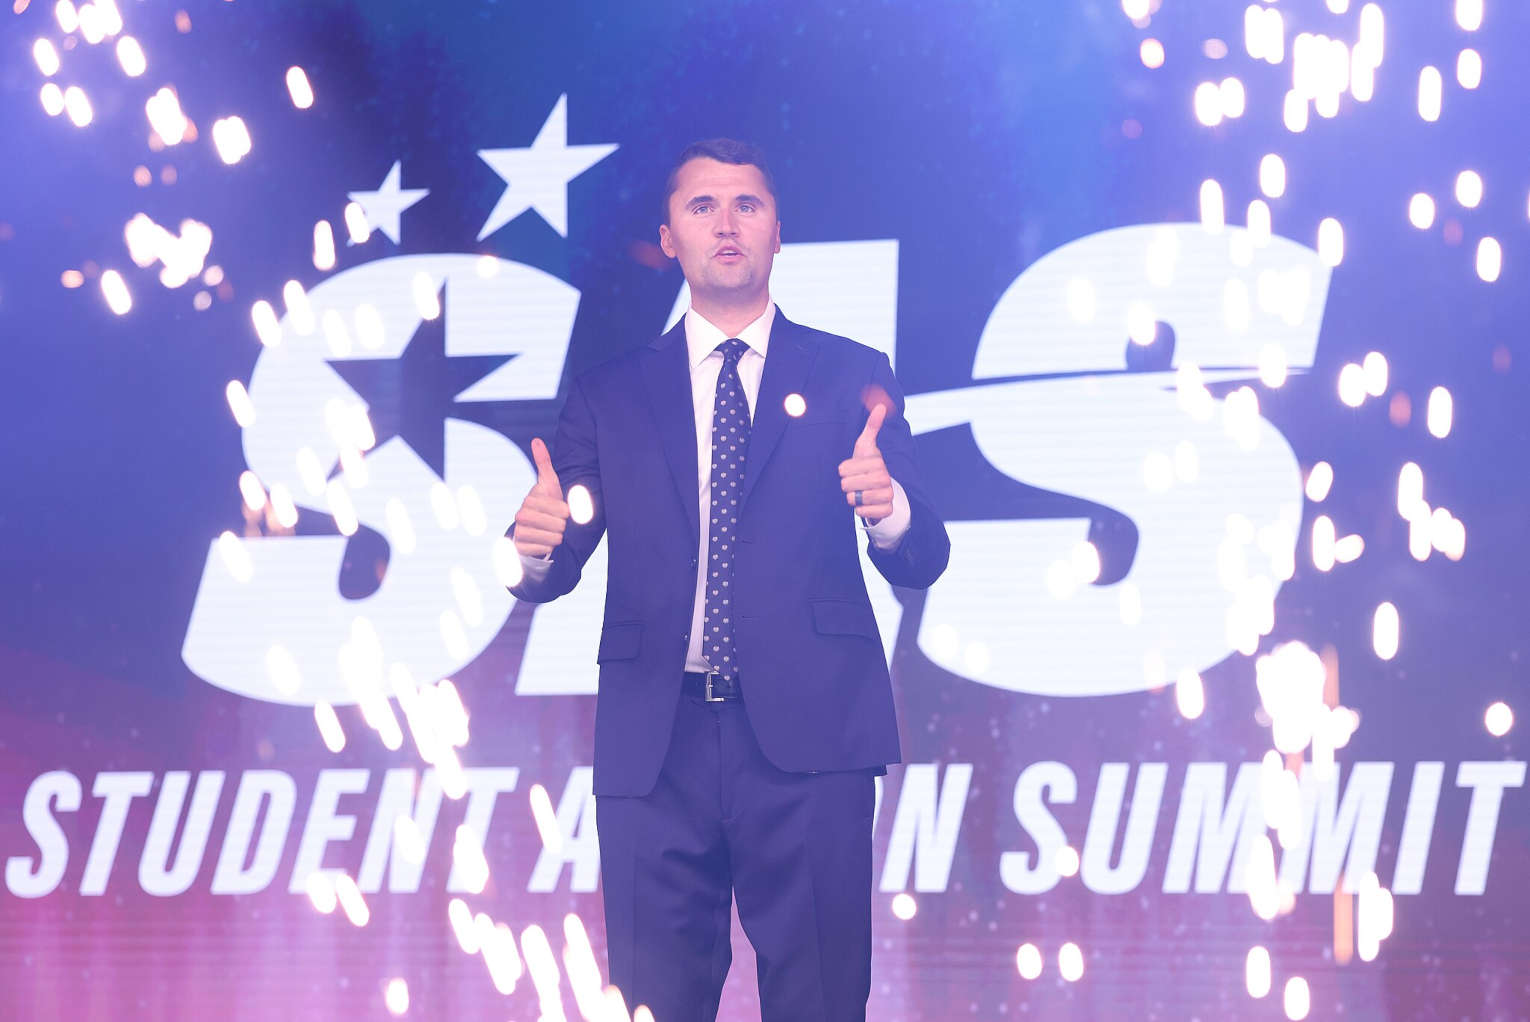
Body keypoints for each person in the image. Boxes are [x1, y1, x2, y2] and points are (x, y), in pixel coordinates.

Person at [507, 138, 950, 1022]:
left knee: (821, 1001)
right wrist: (534, 547)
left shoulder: (851, 375)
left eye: (747, 204)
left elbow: (923, 556)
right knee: (653, 1003)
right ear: (669, 238)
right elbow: (558, 561)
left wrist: (890, 507)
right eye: (702, 206)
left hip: (814, 741)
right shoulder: (609, 394)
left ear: (778, 232)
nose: (727, 223)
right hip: (657, 744)